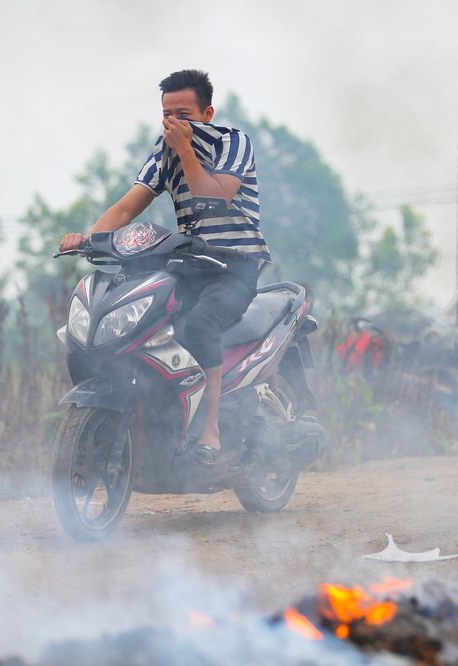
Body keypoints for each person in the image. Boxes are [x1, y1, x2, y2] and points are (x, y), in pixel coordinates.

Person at [59, 69, 270, 468]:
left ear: (207, 113)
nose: (174, 123)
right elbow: (126, 207)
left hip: (235, 267)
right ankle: (161, 424)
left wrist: (187, 151)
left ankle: (211, 430)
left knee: (200, 325)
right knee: (148, 325)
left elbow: (217, 195)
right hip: (190, 265)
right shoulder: (164, 152)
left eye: (184, 114)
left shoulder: (233, 142)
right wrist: (87, 239)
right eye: (167, 114)